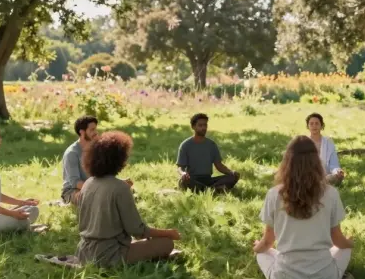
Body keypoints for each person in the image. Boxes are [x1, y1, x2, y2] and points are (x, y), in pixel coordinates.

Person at [254, 136, 354, 279]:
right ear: (316, 162)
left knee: (262, 253)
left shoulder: (274, 194)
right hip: (324, 278)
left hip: (284, 278)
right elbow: (338, 241)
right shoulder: (331, 193)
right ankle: (339, 275)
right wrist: (350, 243)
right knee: (345, 249)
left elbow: (268, 242)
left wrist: (257, 247)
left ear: (287, 162)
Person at [77, 131, 181, 266]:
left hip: (84, 252)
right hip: (109, 255)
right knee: (166, 243)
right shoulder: (120, 188)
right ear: (119, 159)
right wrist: (168, 233)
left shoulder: (88, 184)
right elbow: (137, 231)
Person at [177, 113, 239, 193]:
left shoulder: (211, 145)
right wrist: (183, 173)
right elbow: (180, 167)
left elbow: (219, 166)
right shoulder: (185, 145)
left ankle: (207, 190)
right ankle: (213, 190)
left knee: (232, 177)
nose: (203, 128)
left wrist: (232, 172)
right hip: (193, 179)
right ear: (193, 127)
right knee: (183, 181)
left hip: (208, 180)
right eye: (200, 125)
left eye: (205, 125)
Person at [62, 116, 101, 205]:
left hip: (94, 187)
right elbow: (75, 182)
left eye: (96, 129)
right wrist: (98, 190)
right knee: (94, 199)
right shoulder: (72, 153)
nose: (96, 133)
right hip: (72, 191)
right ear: (82, 132)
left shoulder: (97, 149)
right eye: (92, 130)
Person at [306, 113, 345, 186]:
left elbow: (334, 164)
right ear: (308, 126)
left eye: (317, 123)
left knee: (336, 177)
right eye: (311, 124)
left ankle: (320, 183)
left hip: (325, 175)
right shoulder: (303, 142)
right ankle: (317, 184)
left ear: (321, 125)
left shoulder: (328, 142)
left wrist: (337, 171)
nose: (314, 126)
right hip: (308, 175)